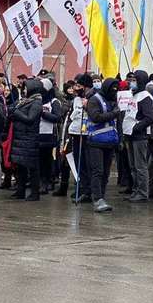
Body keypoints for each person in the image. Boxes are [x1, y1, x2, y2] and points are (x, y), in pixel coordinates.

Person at [85, 78, 122, 213]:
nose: (115, 92)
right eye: (113, 90)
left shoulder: (113, 101)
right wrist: (113, 113)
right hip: (96, 141)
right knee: (98, 171)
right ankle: (97, 199)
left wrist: (120, 140)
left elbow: (117, 124)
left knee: (106, 172)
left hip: (110, 141)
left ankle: (102, 196)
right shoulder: (94, 100)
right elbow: (96, 117)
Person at [55, 73, 92, 201]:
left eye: (79, 85)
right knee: (77, 163)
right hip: (74, 134)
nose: (76, 88)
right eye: (75, 85)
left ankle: (87, 190)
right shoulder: (75, 100)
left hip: (86, 134)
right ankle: (81, 188)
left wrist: (88, 106)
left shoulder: (91, 98)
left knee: (86, 164)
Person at [122, 70, 153, 203]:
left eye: (135, 80)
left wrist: (136, 127)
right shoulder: (133, 95)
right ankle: (136, 190)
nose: (132, 82)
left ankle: (142, 192)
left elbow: (149, 118)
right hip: (129, 135)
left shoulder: (145, 97)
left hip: (139, 136)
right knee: (133, 165)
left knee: (140, 165)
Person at [9, 78, 44, 201]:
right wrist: (12, 111)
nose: (23, 90)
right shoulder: (24, 101)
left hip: (29, 137)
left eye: (25, 88)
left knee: (32, 167)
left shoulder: (36, 103)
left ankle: (35, 193)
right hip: (19, 137)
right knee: (20, 166)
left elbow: (30, 118)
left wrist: (17, 112)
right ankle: (20, 190)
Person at [38, 78, 62, 194]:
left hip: (49, 136)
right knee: (39, 161)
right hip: (37, 134)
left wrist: (43, 113)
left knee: (48, 160)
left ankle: (48, 181)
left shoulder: (54, 102)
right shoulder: (37, 100)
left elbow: (57, 118)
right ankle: (40, 181)